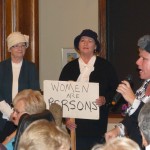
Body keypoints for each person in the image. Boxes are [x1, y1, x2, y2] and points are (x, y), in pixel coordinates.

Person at [59, 29, 118, 149]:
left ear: (95, 46)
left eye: (90, 41)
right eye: (82, 40)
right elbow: (61, 95)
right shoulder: (69, 68)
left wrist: (105, 99)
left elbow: (116, 90)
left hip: (97, 125)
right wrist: (66, 119)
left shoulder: (106, 66)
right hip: (74, 125)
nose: (86, 44)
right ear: (78, 45)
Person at [105, 35, 150, 149]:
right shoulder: (145, 85)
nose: (137, 62)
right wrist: (118, 130)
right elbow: (134, 117)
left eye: (144, 58)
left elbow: (147, 121)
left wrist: (133, 100)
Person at [0, 31, 40, 142]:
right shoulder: (1, 67)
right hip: (3, 117)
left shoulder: (31, 67)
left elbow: (35, 93)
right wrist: (10, 113)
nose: (20, 48)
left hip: (25, 118)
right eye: (16, 46)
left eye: (23, 45)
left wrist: (21, 113)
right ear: (9, 49)